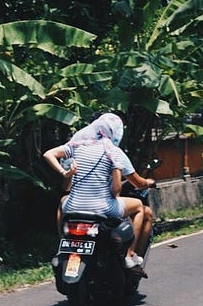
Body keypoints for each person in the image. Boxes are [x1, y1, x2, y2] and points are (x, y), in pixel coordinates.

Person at [43, 113, 155, 273]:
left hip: (73, 206)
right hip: (103, 208)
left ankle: (63, 243)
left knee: (63, 201)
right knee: (139, 207)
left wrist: (64, 173)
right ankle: (129, 255)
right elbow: (116, 190)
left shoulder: (76, 146)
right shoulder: (114, 153)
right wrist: (147, 182)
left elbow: (49, 155)